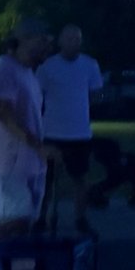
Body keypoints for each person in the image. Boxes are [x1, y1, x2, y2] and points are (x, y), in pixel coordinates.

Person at [0, 18, 59, 242]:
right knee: (15, 224)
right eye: (44, 41)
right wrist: (38, 146)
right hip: (6, 163)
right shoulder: (4, 69)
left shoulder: (28, 73)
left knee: (17, 224)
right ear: (26, 40)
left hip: (28, 163)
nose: (48, 47)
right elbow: (3, 113)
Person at [37, 25, 105, 235]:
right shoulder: (47, 67)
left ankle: (80, 218)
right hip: (52, 132)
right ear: (60, 42)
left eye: (77, 39)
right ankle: (40, 218)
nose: (73, 43)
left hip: (79, 133)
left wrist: (87, 102)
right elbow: (37, 96)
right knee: (46, 180)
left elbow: (97, 93)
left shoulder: (90, 65)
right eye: (69, 39)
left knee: (80, 178)